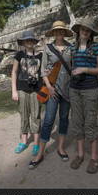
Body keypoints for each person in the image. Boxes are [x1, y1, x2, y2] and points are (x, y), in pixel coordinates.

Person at [29, 21, 73, 169]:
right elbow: (43, 71)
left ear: (64, 32)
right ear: (53, 33)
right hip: (52, 89)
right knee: (48, 120)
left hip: (67, 90)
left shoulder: (71, 48)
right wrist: (49, 86)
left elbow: (73, 68)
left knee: (64, 118)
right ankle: (40, 152)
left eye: (61, 31)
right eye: (56, 31)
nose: (59, 33)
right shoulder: (48, 48)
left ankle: (60, 147)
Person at [69, 17, 98, 174]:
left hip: (90, 89)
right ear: (78, 31)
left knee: (90, 123)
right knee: (77, 122)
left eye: (87, 30)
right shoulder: (73, 47)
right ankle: (80, 154)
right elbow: (71, 66)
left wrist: (84, 69)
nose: (84, 32)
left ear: (91, 33)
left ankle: (94, 158)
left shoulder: (96, 48)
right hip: (74, 89)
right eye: (82, 29)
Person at [11, 30, 42, 156]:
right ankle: (23, 142)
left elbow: (44, 71)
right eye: (27, 40)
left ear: (34, 42)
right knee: (24, 115)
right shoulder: (19, 55)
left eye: (31, 39)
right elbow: (14, 72)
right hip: (22, 89)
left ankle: (36, 143)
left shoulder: (40, 55)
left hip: (36, 90)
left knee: (36, 116)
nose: (29, 42)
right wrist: (14, 90)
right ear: (23, 42)